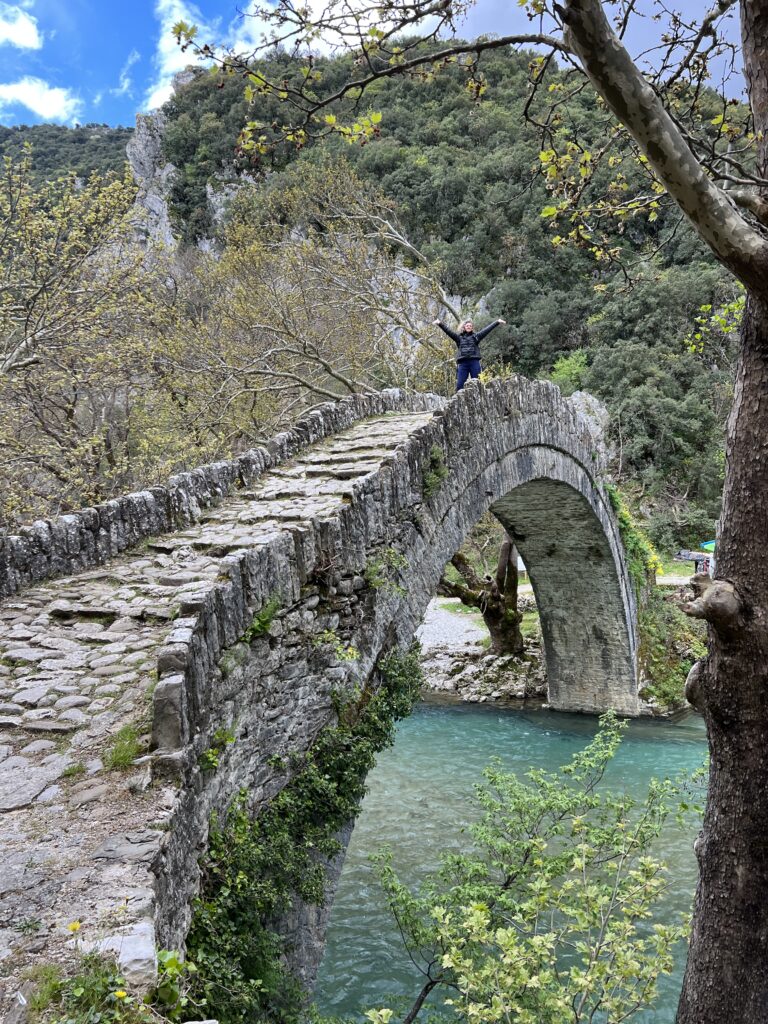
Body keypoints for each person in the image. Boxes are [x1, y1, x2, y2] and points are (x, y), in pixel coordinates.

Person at [432, 316, 506, 391]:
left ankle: (480, 397)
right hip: (463, 363)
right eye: (467, 326)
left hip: (474, 362)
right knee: (459, 385)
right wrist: (440, 323)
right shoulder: (459, 338)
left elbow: (486, 330)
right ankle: (460, 398)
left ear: (472, 328)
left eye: (470, 326)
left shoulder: (476, 337)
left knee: (478, 384)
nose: (469, 327)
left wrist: (497, 322)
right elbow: (449, 332)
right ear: (464, 327)